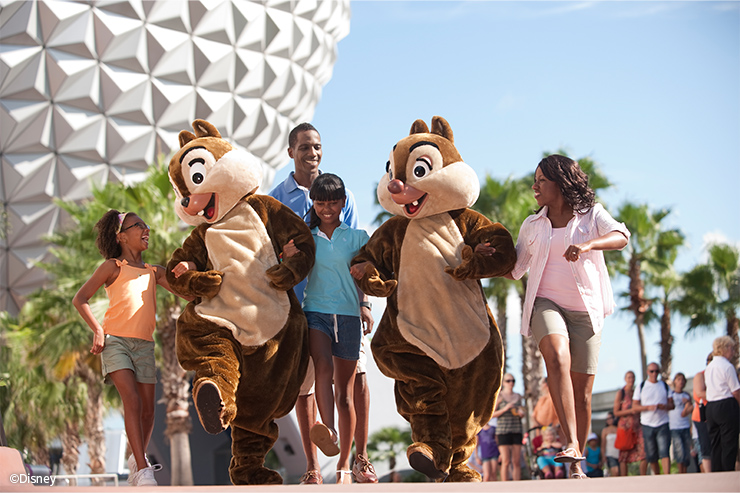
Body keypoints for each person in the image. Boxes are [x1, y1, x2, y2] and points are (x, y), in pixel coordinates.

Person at [508, 154, 630, 479]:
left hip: (586, 310)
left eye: (541, 180)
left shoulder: (591, 215)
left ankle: (576, 460)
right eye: (534, 180)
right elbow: (516, 269)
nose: (534, 187)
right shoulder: (532, 225)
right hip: (545, 303)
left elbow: (621, 236)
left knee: (583, 395)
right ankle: (571, 442)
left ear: (560, 183)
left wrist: (588, 245)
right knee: (557, 356)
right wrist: (487, 258)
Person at [268, 123, 373, 484]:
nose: (312, 153)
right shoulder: (276, 199)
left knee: (356, 380)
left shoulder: (342, 194)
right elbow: (269, 252)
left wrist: (364, 303)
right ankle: (313, 467)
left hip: (345, 306)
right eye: (304, 147)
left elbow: (356, 254)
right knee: (306, 385)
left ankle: (359, 459)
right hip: (299, 309)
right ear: (291, 153)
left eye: (316, 146)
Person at [73, 211, 191, 486]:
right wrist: (98, 330)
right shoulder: (112, 267)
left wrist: (188, 269)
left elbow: (188, 295)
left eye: (146, 225)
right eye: (139, 226)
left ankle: (136, 460)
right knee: (133, 402)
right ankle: (142, 467)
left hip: (145, 346)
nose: (146, 229)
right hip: (116, 342)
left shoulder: (154, 271)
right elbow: (80, 299)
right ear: (121, 236)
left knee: (149, 412)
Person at [704, 336, 740, 472]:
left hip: (711, 407)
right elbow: (735, 391)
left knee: (716, 444)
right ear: (725, 348)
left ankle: (717, 474)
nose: (733, 352)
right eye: (731, 348)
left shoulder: (709, 367)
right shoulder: (727, 366)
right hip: (726, 405)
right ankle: (728, 473)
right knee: (729, 443)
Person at [633, 362, 674, 475]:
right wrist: (647, 407)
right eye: (652, 371)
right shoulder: (641, 387)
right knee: (651, 455)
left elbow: (672, 405)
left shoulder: (664, 386)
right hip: (647, 424)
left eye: (656, 371)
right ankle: (657, 477)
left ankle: (667, 476)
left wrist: (665, 406)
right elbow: (634, 407)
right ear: (647, 372)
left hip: (663, 423)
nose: (654, 374)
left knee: (664, 452)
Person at [613, 370, 646, 476]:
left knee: (644, 452)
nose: (631, 379)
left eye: (632, 377)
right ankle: (624, 478)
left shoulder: (637, 392)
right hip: (625, 427)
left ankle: (643, 476)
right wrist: (631, 411)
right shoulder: (621, 393)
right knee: (624, 455)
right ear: (625, 379)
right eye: (629, 377)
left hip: (637, 427)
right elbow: (616, 412)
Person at [492, 373, 524, 481]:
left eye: (513, 380)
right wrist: (505, 408)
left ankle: (517, 484)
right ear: (503, 382)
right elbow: (492, 414)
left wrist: (521, 413)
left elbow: (522, 410)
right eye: (508, 381)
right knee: (506, 461)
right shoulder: (499, 396)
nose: (511, 383)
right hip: (503, 431)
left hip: (516, 430)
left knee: (516, 461)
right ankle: (504, 485)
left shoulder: (518, 396)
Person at [691, 353, 713, 473]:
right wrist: (720, 393)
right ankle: (708, 474)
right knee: (705, 445)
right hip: (702, 416)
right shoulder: (701, 376)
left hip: (715, 414)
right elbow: (699, 393)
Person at [669, 372, 694, 473]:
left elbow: (689, 411)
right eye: (678, 379)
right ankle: (680, 472)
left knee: (687, 450)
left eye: (683, 380)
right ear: (674, 381)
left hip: (685, 425)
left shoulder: (686, 395)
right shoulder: (671, 395)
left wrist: (687, 404)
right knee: (679, 450)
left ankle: (685, 471)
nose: (681, 382)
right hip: (674, 427)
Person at [601, 411, 620, 477]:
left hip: (619, 453)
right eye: (607, 419)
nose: (608, 420)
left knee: (621, 473)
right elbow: (603, 445)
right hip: (610, 454)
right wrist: (603, 456)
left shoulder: (618, 429)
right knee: (615, 471)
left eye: (610, 418)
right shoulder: (605, 430)